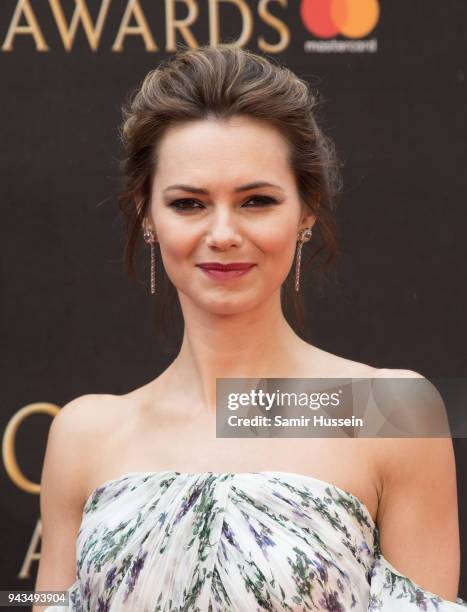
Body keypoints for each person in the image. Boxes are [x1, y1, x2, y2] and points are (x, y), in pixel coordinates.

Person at [35, 44, 466, 611]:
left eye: (257, 201)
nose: (223, 233)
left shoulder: (386, 409)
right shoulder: (84, 433)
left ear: (306, 211)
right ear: (147, 215)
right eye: (189, 204)